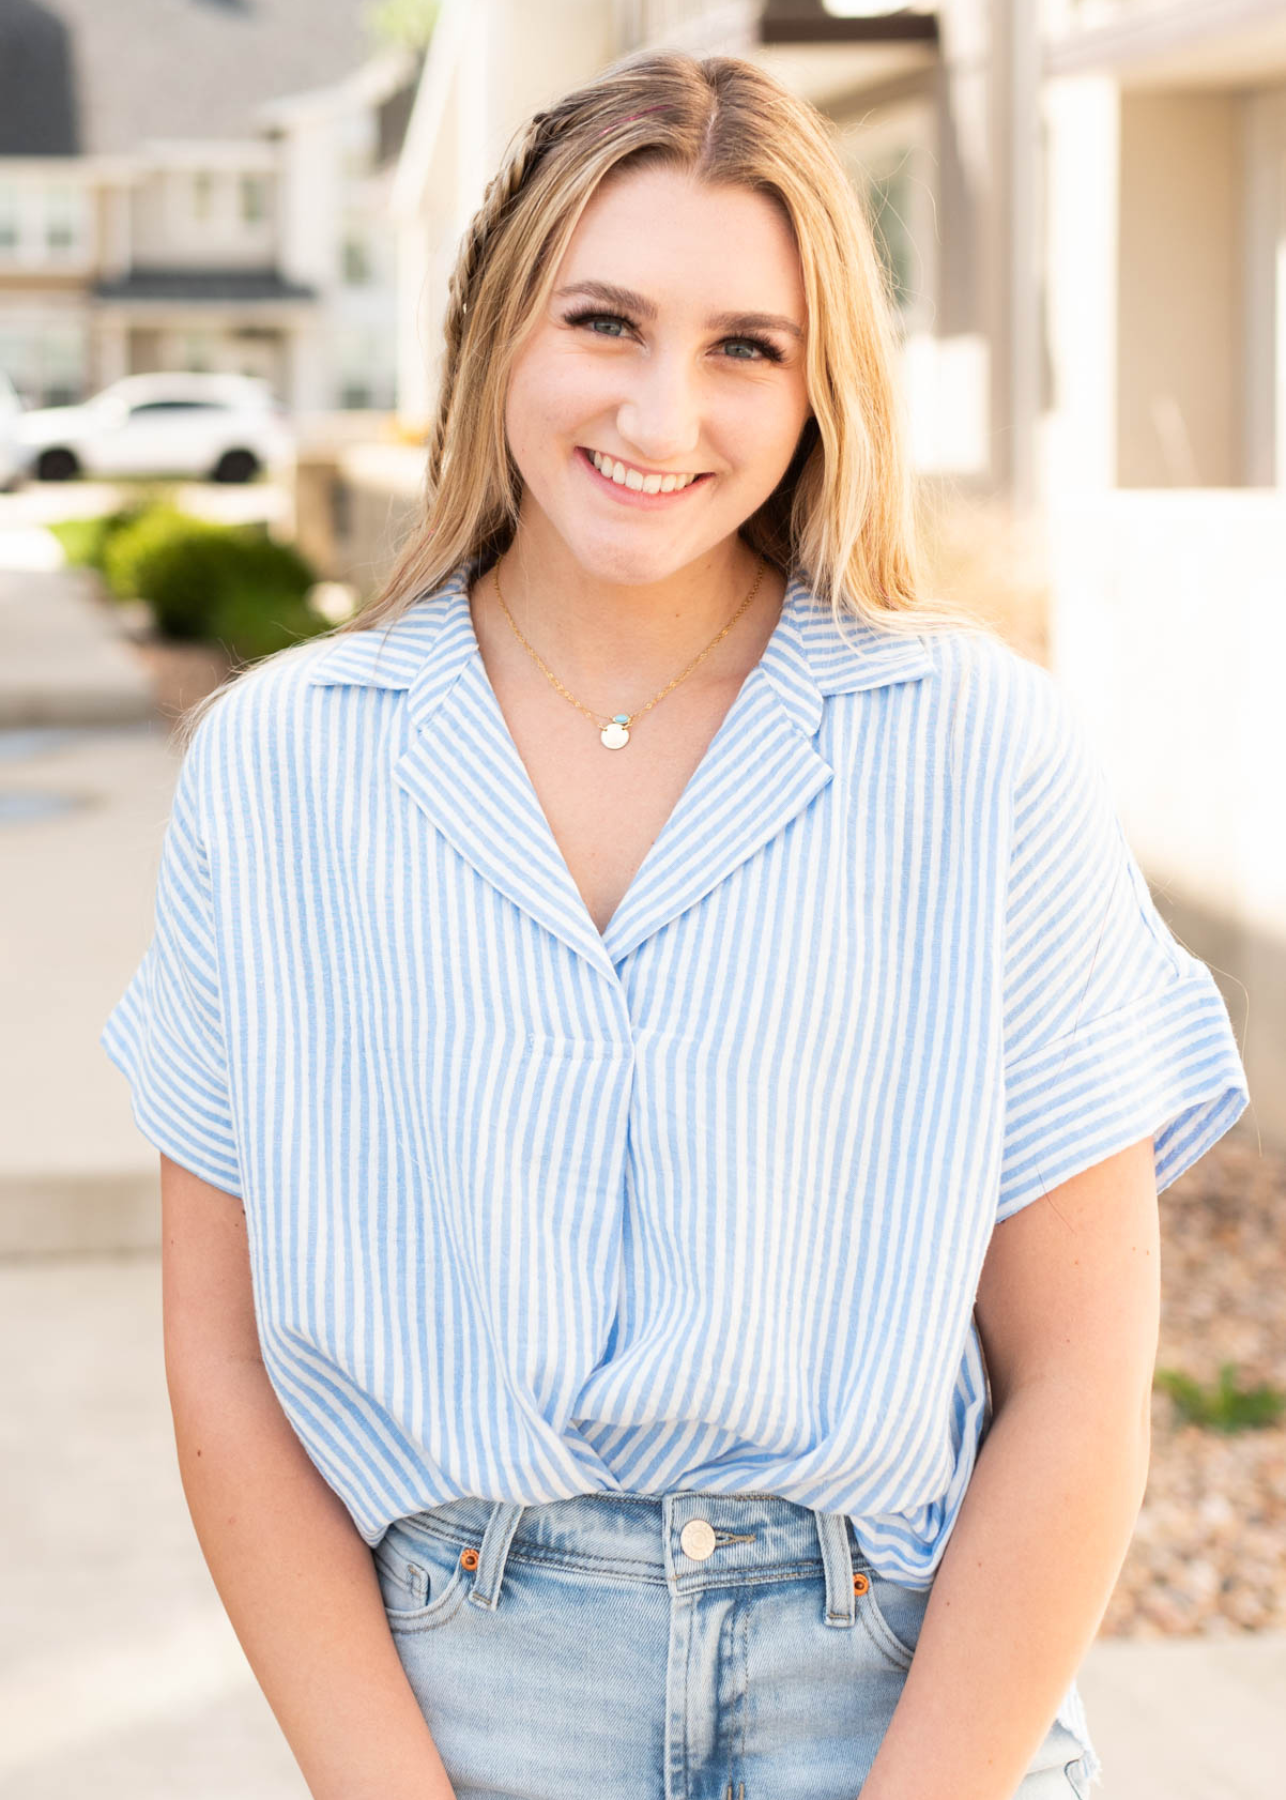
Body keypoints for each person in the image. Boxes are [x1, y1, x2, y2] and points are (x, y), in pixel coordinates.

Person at [100, 47, 1249, 1800]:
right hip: (459, 1693)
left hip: (897, 1685)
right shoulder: (283, 769)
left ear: (815, 389)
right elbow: (223, 1364)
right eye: (604, 323)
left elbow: (1080, 1376)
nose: (660, 419)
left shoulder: (968, 744)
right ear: (498, 330)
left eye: (743, 349)